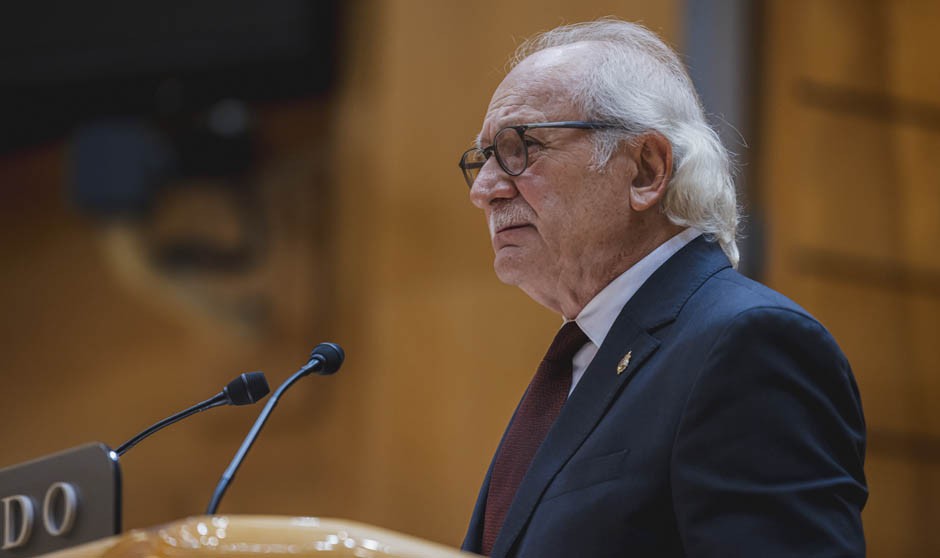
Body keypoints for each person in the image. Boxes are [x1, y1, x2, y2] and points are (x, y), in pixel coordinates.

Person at [457, 19, 867, 558]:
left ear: (646, 170)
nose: (484, 190)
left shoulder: (749, 345)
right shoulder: (588, 355)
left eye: (519, 147)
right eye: (482, 158)